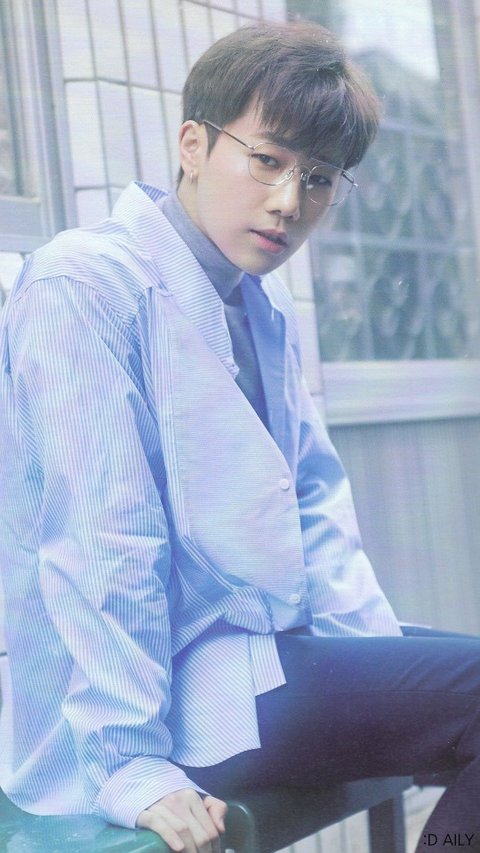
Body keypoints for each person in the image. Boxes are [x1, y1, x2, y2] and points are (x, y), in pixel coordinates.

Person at [1, 19, 480, 853]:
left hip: (267, 658)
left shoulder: (259, 302)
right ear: (193, 144)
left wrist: (371, 657)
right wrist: (130, 759)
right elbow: (103, 537)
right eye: (267, 160)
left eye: (319, 178)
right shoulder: (84, 284)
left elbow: (313, 499)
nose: (290, 201)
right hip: (166, 693)